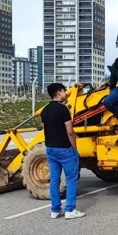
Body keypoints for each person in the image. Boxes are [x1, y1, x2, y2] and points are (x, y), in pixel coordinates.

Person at [41, 83, 85, 220]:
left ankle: (55, 210)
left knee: (54, 179)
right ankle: (70, 209)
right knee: (71, 179)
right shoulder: (63, 109)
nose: (66, 93)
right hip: (65, 148)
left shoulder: (44, 110)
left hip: (50, 148)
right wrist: (74, 148)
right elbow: (70, 132)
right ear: (58, 92)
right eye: (64, 91)